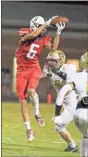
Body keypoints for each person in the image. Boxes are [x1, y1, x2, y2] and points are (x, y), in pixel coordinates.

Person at [15, 15, 65, 142]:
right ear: (33, 26)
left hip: (34, 68)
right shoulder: (25, 32)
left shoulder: (43, 38)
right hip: (21, 70)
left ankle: (37, 114)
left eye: (42, 26)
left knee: (31, 90)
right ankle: (29, 130)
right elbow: (31, 36)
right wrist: (47, 23)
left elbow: (54, 49)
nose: (42, 29)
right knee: (22, 98)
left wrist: (58, 32)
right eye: (39, 26)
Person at [53, 52, 88, 156]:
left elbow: (62, 92)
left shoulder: (77, 76)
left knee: (86, 137)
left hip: (79, 113)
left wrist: (57, 114)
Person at [42, 51, 78, 152]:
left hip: (73, 101)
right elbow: (41, 75)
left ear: (61, 60)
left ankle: (73, 146)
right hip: (63, 101)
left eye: (54, 61)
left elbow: (69, 80)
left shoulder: (68, 68)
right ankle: (73, 145)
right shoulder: (49, 68)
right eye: (50, 61)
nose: (51, 63)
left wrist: (56, 71)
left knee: (59, 126)